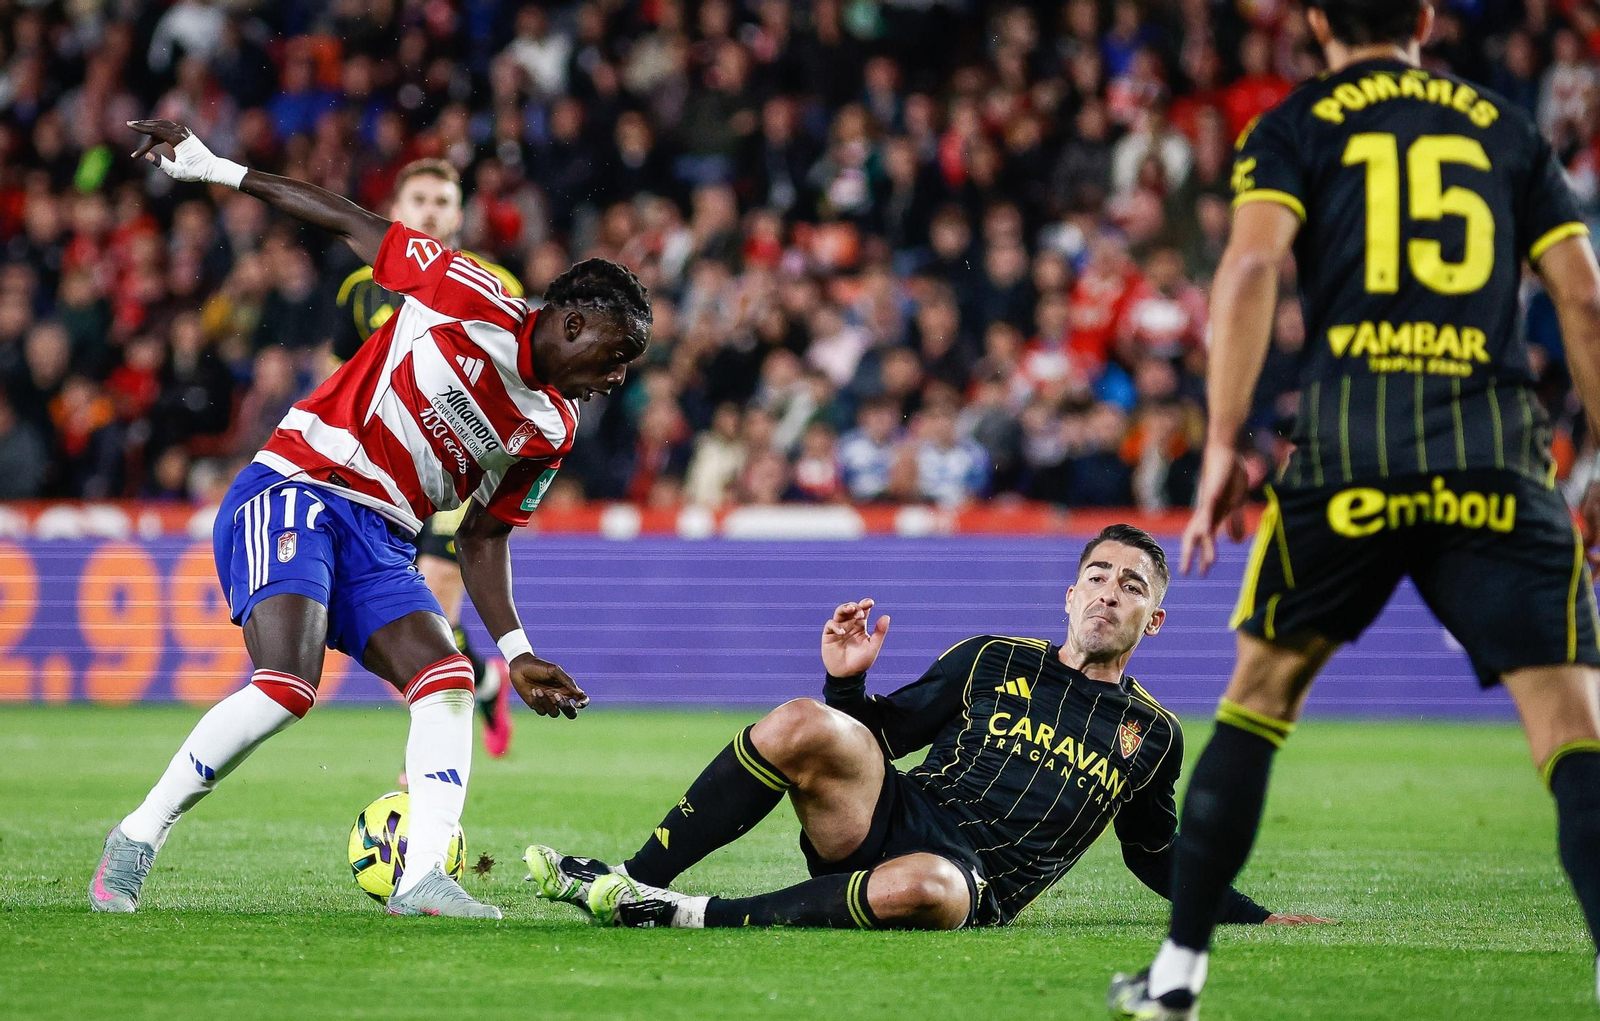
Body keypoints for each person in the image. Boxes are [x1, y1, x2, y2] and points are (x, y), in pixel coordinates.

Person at [1109, 0, 1600, 1021]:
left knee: (1258, 696)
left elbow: (1245, 269)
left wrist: (1222, 444)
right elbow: (1582, 301)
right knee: (1571, 726)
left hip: (1347, 458)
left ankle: (1179, 974)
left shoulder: (1292, 123)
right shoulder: (1507, 130)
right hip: (1492, 459)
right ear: (1424, 16)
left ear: (1314, 22)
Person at [89, 120, 651, 919]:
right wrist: (213, 166)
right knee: (288, 683)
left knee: (450, 681)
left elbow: (485, 535)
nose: (616, 376)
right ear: (571, 323)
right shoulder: (465, 292)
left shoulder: (551, 428)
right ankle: (137, 837)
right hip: (300, 485)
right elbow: (348, 219)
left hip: (384, 538)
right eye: (615, 352)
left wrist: (518, 651)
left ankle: (423, 878)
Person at [524, 525, 1325, 932]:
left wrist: (1253, 915)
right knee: (805, 719)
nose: (1109, 593)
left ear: (1154, 619)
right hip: (891, 812)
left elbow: (1156, 853)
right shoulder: (991, 657)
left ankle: (685, 913)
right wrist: (845, 678)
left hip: (970, 880)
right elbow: (877, 733)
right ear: (1069, 593)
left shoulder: (1151, 732)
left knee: (931, 887)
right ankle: (627, 876)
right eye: (1097, 575)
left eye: (1132, 585)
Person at [331, 158, 526, 764]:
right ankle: (484, 683)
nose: (432, 210)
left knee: (433, 601)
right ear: (396, 212)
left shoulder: (497, 284)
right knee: (397, 628)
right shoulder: (359, 290)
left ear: (459, 214)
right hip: (381, 474)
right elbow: (342, 376)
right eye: (419, 198)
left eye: (443, 200)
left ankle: (421, 783)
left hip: (459, 469)